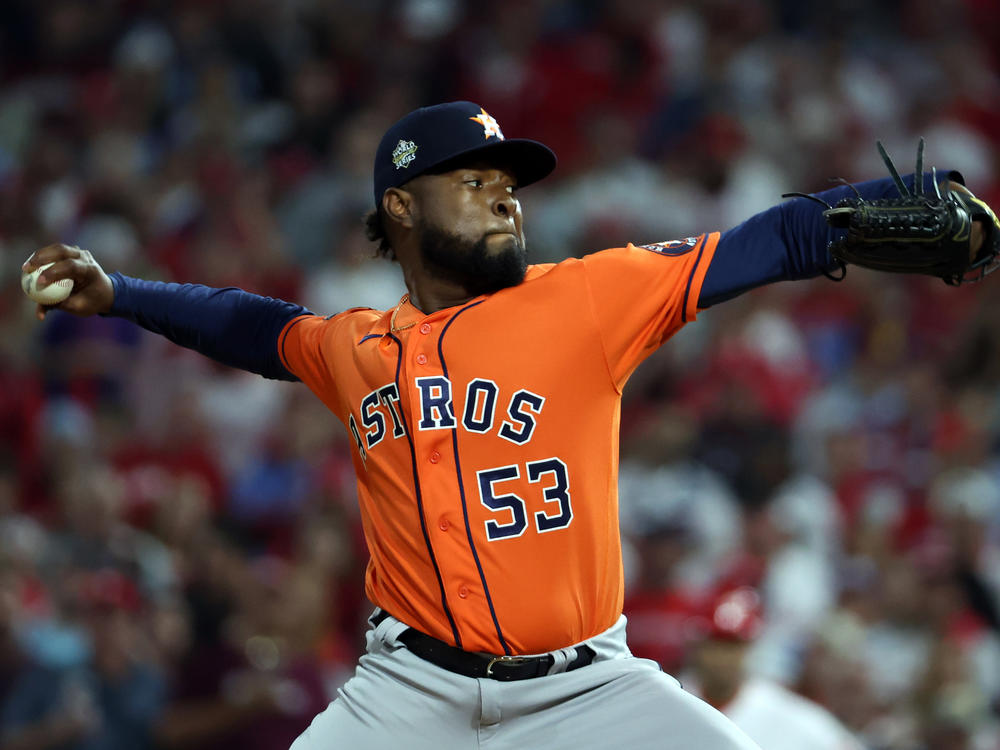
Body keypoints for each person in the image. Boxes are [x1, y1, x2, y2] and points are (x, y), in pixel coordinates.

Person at [21, 101, 997, 749]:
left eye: (508, 179)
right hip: (408, 695)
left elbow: (771, 240)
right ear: (399, 205)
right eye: (469, 174)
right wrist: (121, 293)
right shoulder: (356, 346)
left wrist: (888, 204)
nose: (501, 191)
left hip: (589, 691)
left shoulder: (589, 297)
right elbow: (253, 328)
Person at [685, 587, 863, 750]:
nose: (722, 657)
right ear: (698, 647)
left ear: (749, 648)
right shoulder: (674, 696)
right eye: (715, 644)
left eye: (732, 646)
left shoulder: (784, 711)